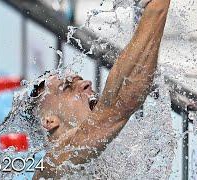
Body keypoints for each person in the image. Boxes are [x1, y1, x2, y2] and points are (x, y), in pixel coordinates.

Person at [29, 0, 171, 178]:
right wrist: (157, 7)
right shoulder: (55, 163)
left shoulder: (103, 162)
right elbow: (120, 105)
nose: (86, 83)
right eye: (67, 87)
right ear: (49, 121)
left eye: (79, 80)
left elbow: (120, 102)